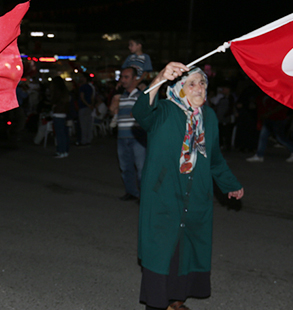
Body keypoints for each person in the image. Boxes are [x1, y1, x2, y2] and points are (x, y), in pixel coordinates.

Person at [133, 62, 244, 310]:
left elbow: (214, 158)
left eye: (202, 83)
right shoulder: (163, 111)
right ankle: (158, 304)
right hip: (163, 196)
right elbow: (141, 111)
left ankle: (176, 302)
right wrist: (160, 77)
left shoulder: (209, 117)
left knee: (187, 251)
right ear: (179, 87)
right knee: (162, 251)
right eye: (192, 83)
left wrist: (230, 184)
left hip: (195, 197)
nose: (199, 88)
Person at [110, 67, 146, 201]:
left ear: (134, 79)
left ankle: (144, 196)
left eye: (126, 77)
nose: (123, 80)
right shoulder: (120, 96)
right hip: (122, 136)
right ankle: (131, 192)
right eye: (122, 77)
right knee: (125, 167)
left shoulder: (141, 95)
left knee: (141, 168)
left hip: (137, 137)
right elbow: (112, 110)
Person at [246, 95, 293, 163]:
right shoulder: (266, 94)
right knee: (263, 137)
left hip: (278, 119)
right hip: (269, 118)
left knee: (280, 137)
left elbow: (281, 106)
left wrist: (268, 113)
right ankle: (259, 155)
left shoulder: (279, 94)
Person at [51, 77, 71, 158]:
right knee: (64, 134)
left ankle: (61, 151)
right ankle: (64, 150)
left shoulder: (57, 92)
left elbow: (54, 101)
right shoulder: (65, 92)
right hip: (63, 114)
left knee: (59, 134)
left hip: (58, 113)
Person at [77, 75, 96, 146]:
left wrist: (87, 105)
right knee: (89, 124)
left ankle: (84, 140)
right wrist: (91, 105)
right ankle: (89, 139)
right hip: (89, 107)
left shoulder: (82, 87)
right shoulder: (90, 87)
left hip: (83, 107)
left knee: (83, 125)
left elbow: (82, 97)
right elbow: (92, 97)